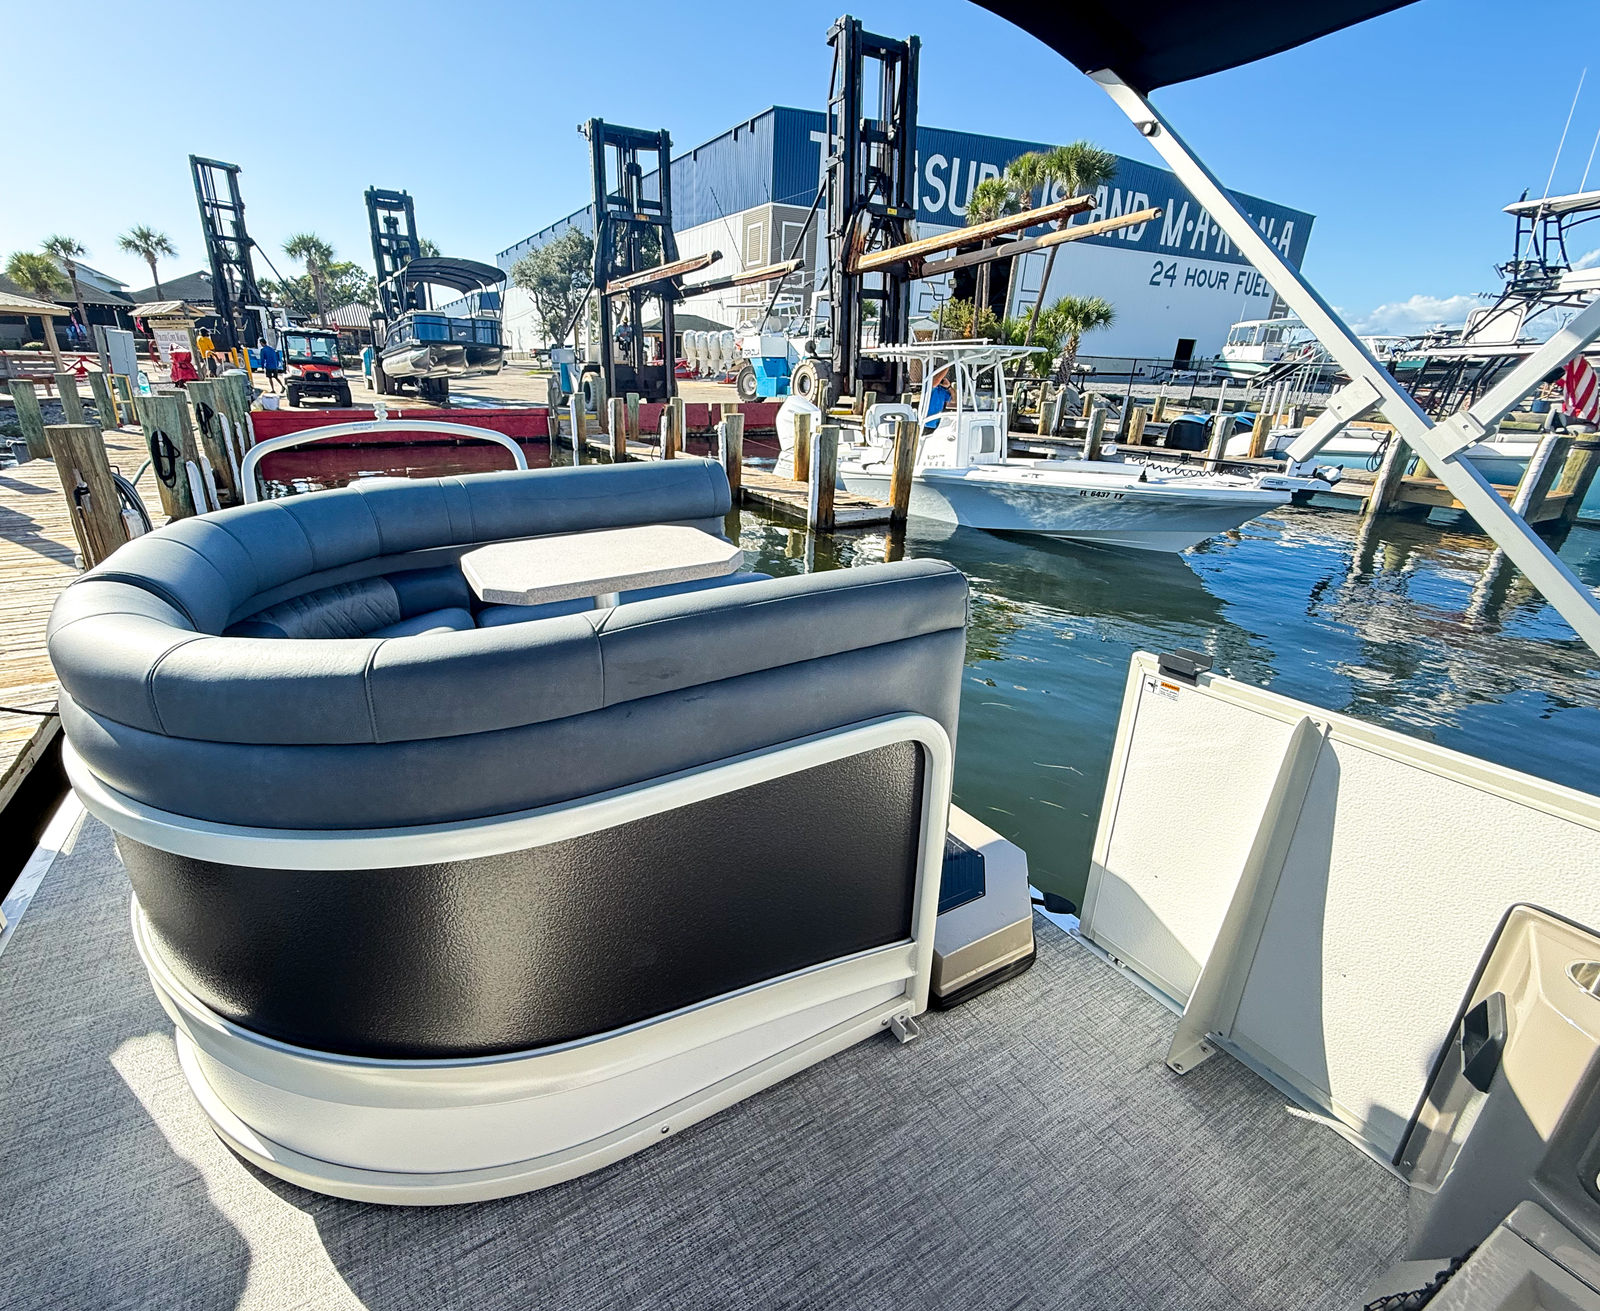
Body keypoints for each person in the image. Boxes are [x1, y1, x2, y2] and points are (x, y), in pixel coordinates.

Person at [923, 366, 953, 433]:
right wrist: (948, 365)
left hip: (938, 424)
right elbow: (937, 380)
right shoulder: (928, 386)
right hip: (926, 424)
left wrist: (949, 387)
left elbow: (955, 400)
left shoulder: (942, 390)